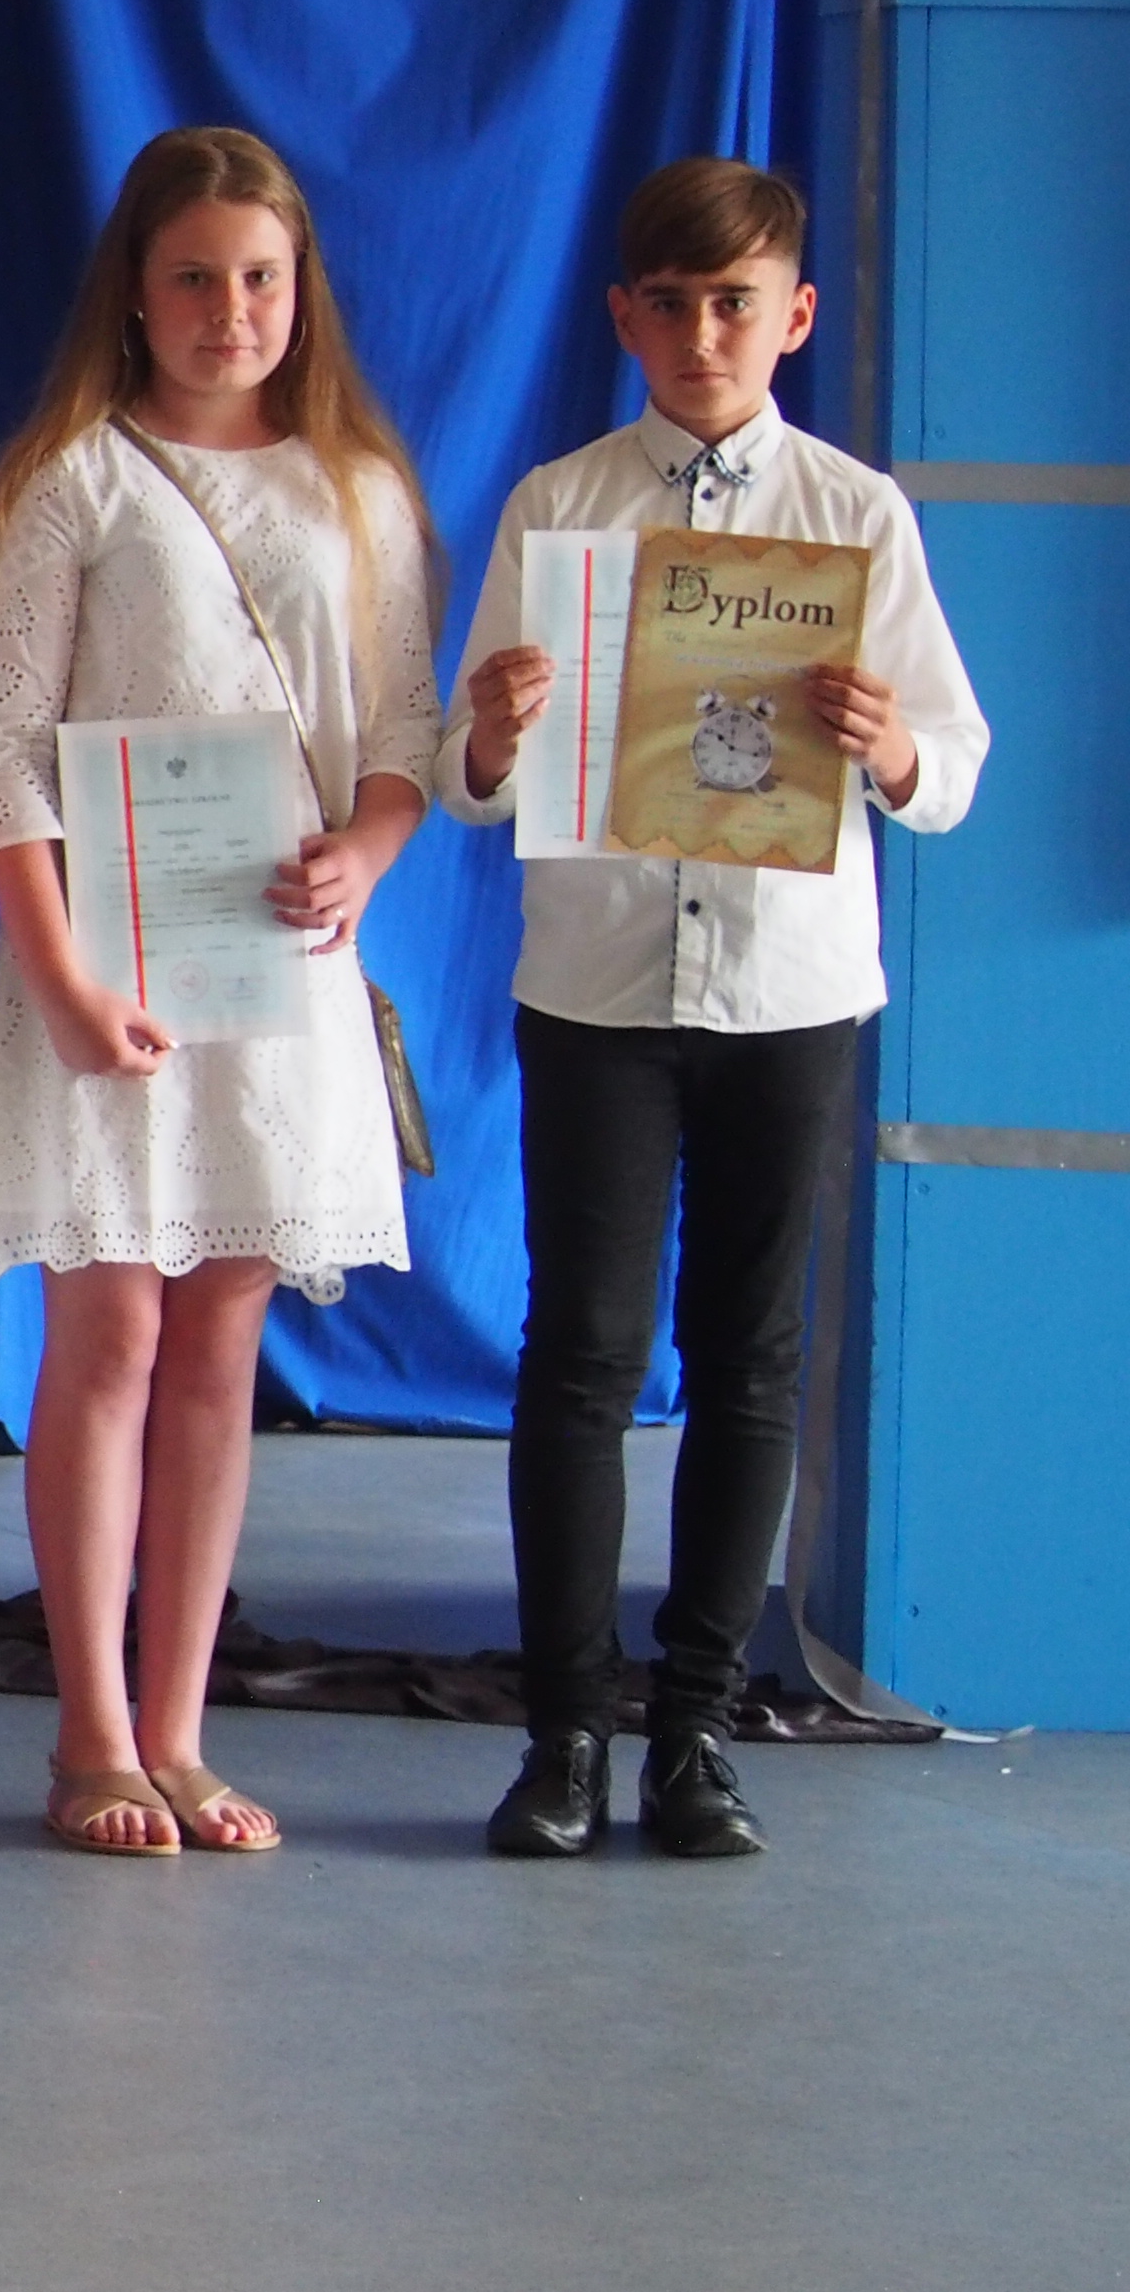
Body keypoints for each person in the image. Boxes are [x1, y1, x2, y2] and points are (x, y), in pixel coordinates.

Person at [445, 159, 988, 1861]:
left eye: (735, 303)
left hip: (787, 984)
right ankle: (561, 1740)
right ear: (624, 316)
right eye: (671, 304)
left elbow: (956, 766)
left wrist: (890, 746)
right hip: (597, 983)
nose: (702, 334)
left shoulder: (857, 517)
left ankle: (694, 1735)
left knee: (750, 1361)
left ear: (795, 316)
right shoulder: (558, 508)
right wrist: (491, 731)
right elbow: (465, 777)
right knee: (582, 1355)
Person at [0, 126, 440, 1859]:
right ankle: (90, 1731)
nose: (228, 309)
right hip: (106, 973)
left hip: (281, 969)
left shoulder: (358, 489)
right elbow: (1, 743)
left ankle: (179, 1727)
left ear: (300, 291)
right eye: (192, 278)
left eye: (258, 277)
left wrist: (367, 850)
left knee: (222, 1344)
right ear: (134, 295)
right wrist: (61, 977)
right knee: (106, 1336)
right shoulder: (75, 479)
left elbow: (404, 730)